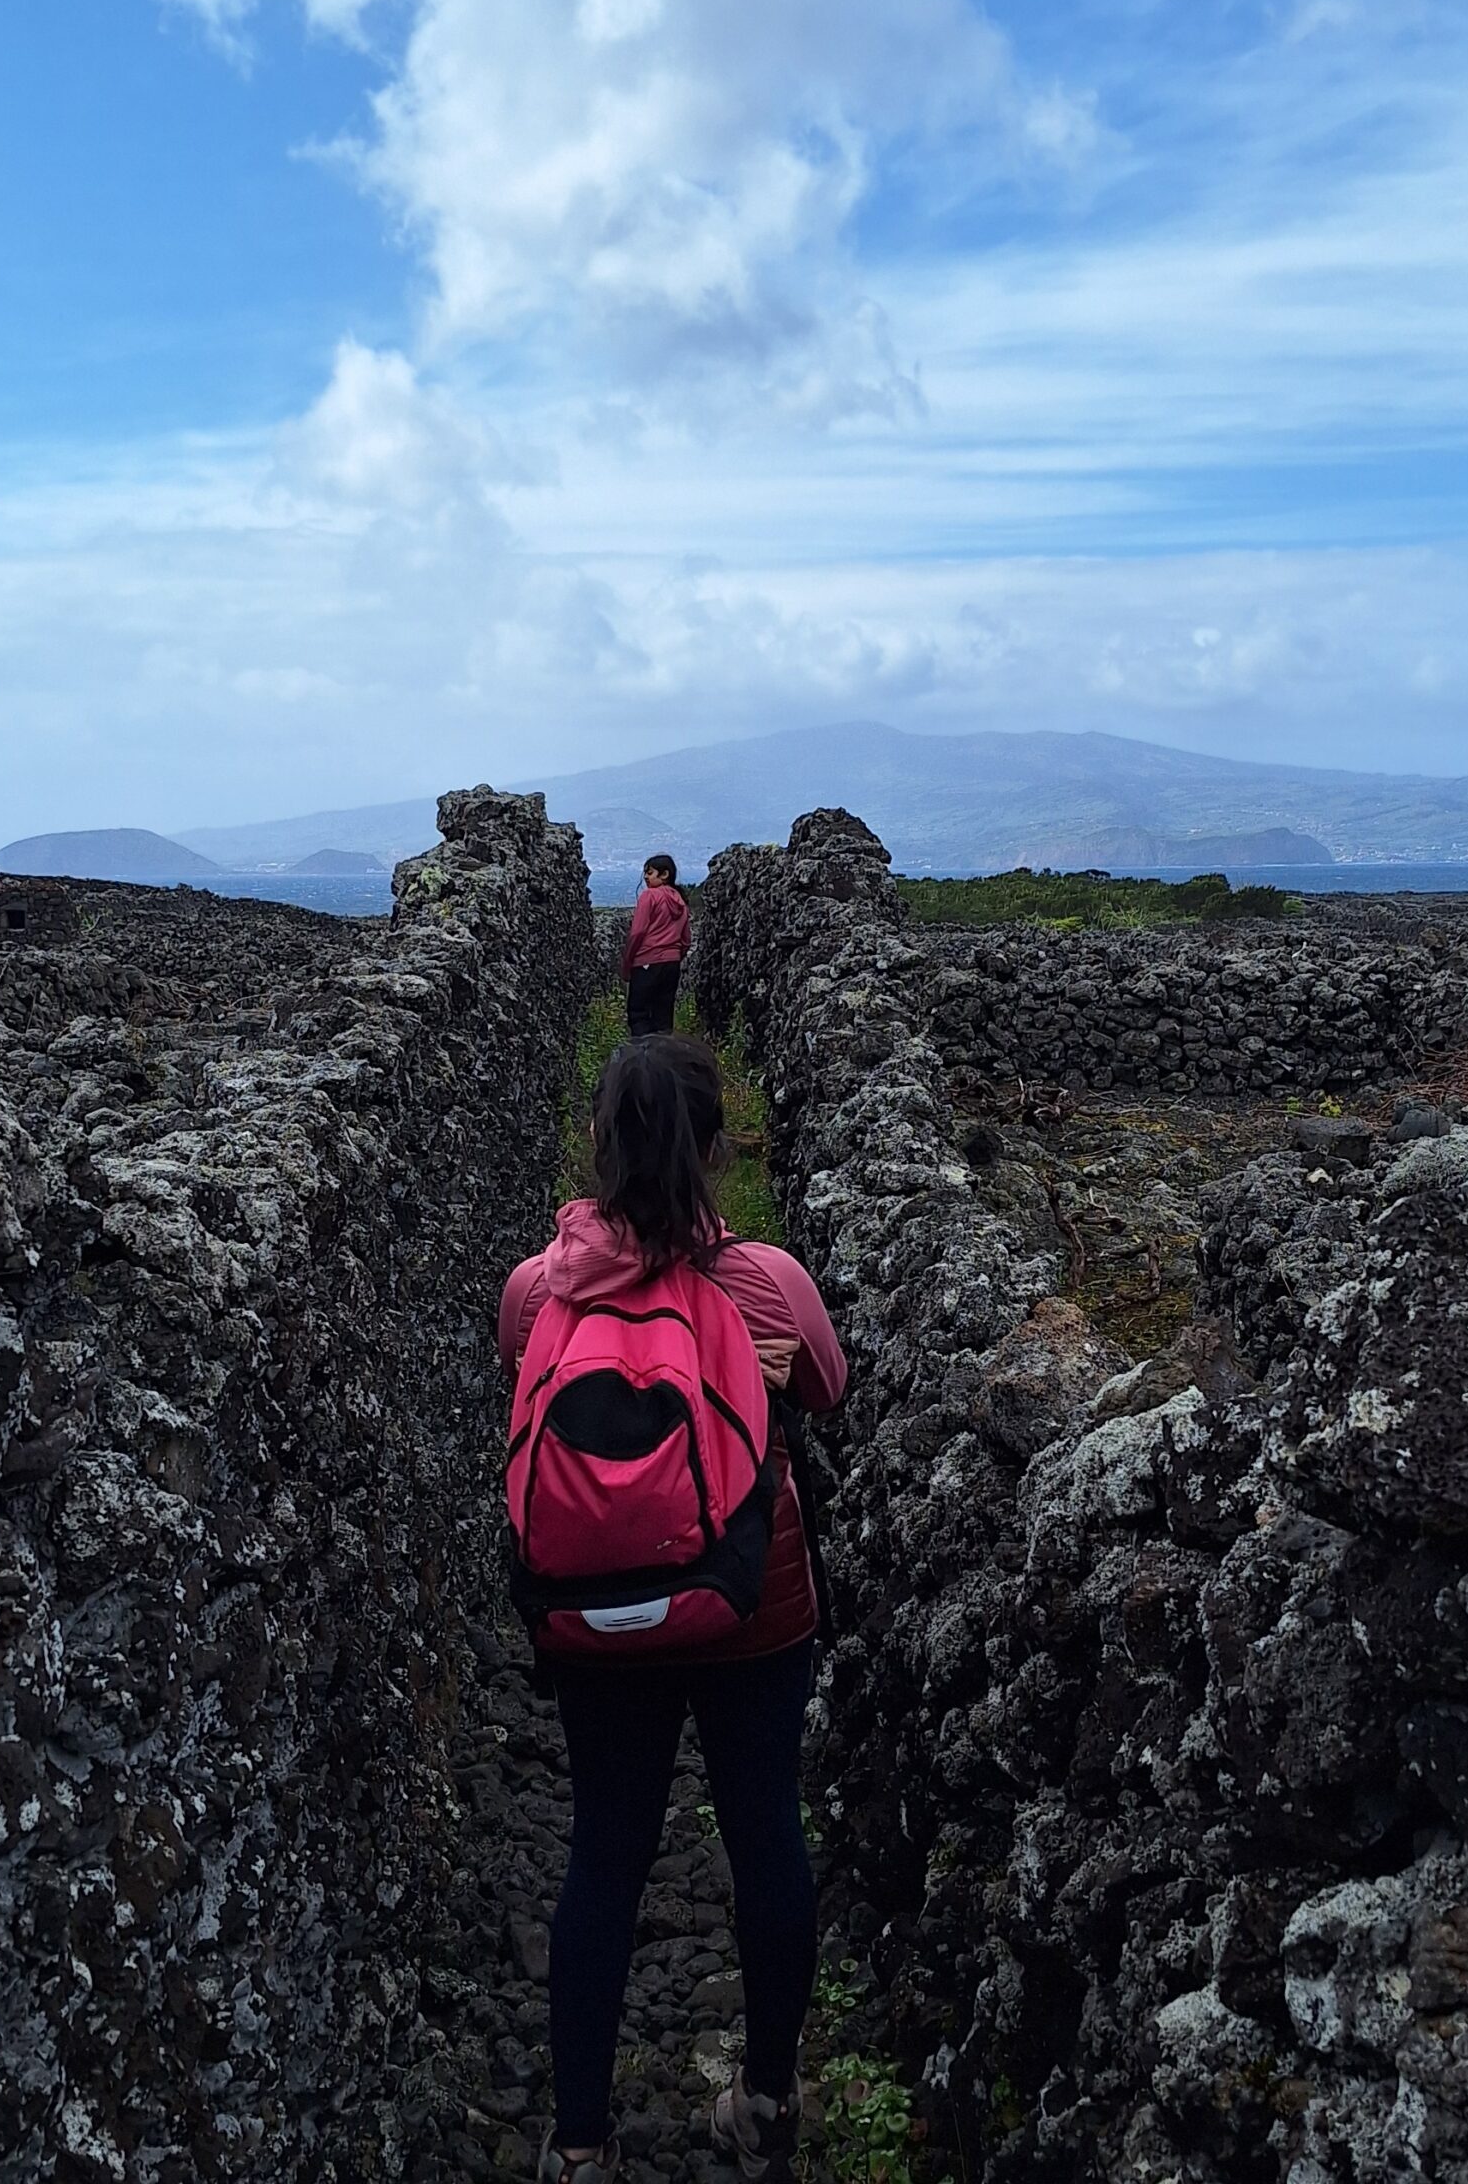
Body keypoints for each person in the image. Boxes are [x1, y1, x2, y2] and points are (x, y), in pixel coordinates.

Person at [500, 1033, 847, 2183]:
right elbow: (833, 1387)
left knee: (604, 1852)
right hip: (755, 1599)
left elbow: (520, 1363)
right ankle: (767, 2101)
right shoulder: (767, 1280)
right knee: (764, 1836)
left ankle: (584, 2144)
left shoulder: (539, 1286)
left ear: (595, 1144)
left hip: (595, 1610)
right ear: (717, 1146)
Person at [620, 854, 689, 1038]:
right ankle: (664, 1059)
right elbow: (685, 939)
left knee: (639, 1015)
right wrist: (674, 956)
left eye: (650, 873)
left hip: (646, 962)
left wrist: (628, 963)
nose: (645, 877)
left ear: (664, 874)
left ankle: (642, 1059)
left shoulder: (649, 896)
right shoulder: (680, 901)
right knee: (663, 1017)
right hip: (672, 963)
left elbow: (637, 932)